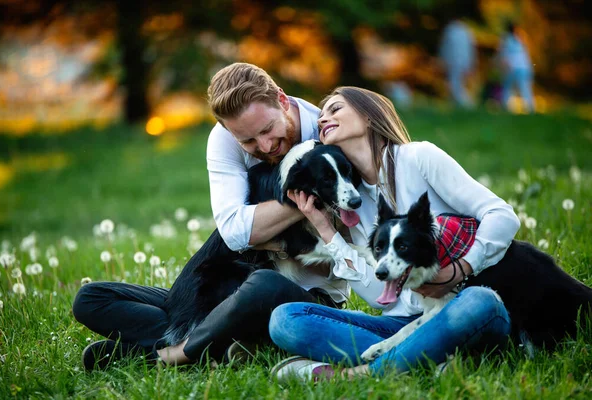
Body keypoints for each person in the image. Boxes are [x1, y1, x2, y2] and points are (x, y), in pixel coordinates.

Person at [72, 63, 348, 370]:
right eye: (248, 142)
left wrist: (270, 224)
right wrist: (309, 193)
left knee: (262, 284)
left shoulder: (326, 134)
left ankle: (174, 354)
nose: (266, 146)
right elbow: (233, 232)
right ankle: (215, 344)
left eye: (268, 129)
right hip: (228, 290)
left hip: (300, 296)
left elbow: (343, 246)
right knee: (90, 298)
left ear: (282, 101)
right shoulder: (225, 137)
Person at [269, 86, 521, 382]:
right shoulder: (352, 201)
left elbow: (502, 216)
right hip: (402, 324)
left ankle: (357, 375)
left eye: (335, 109)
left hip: (460, 307)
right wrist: (325, 229)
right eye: (321, 116)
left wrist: (461, 269)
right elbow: (380, 298)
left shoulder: (419, 158)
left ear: (368, 116)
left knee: (481, 301)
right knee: (286, 319)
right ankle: (432, 356)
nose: (322, 119)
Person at [439, 19, 476, 108]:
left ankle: (464, 104)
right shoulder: (467, 31)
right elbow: (471, 49)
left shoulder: (450, 30)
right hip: (463, 61)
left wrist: (443, 59)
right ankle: (461, 103)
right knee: (458, 83)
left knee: (455, 83)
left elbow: (444, 47)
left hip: (454, 61)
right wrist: (471, 63)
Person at [498, 22, 535, 113]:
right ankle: (529, 108)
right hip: (522, 67)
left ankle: (507, 106)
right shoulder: (520, 39)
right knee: (524, 88)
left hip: (512, 68)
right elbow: (525, 55)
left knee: (508, 88)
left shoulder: (506, 39)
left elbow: (502, 55)